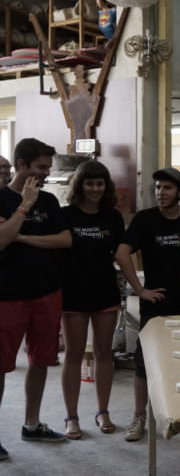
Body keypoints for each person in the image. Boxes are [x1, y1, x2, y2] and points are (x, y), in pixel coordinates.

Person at [115, 168, 180, 444]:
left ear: (179, 192)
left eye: (167, 188)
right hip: (155, 304)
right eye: (157, 188)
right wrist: (140, 290)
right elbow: (121, 253)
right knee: (144, 364)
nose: (160, 193)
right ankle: (139, 417)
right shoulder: (145, 219)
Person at [0, 138, 72, 460]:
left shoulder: (51, 202)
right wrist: (24, 206)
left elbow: (64, 240)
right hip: (7, 297)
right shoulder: (1, 198)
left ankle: (32, 423)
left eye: (48, 167)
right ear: (21, 165)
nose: (46, 174)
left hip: (46, 294)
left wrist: (22, 235)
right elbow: (1, 241)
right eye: (41, 167)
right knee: (0, 368)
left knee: (41, 361)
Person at [60, 160, 124, 440]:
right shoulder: (66, 215)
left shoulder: (113, 217)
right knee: (73, 354)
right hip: (73, 292)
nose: (95, 189)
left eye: (99, 183)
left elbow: (120, 253)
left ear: (105, 185)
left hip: (105, 290)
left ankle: (103, 411)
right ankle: (72, 416)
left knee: (104, 352)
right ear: (80, 185)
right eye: (89, 183)